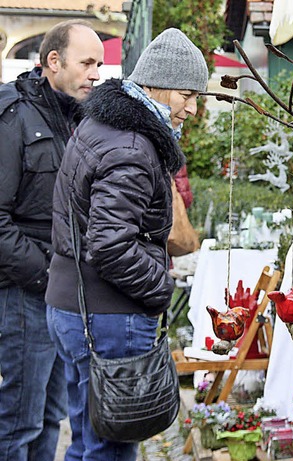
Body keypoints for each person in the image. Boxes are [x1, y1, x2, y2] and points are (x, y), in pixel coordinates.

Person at [45, 28, 208, 460]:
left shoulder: (105, 124)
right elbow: (112, 245)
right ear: (157, 84)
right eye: (187, 94)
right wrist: (161, 289)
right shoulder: (133, 144)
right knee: (110, 450)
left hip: (74, 307)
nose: (192, 109)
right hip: (108, 317)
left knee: (87, 440)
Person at [0, 20, 104, 461]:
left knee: (51, 416)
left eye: (98, 63)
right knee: (19, 422)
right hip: (27, 292)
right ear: (53, 62)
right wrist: (47, 274)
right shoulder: (13, 117)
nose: (96, 74)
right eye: (87, 63)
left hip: (64, 294)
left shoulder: (82, 118)